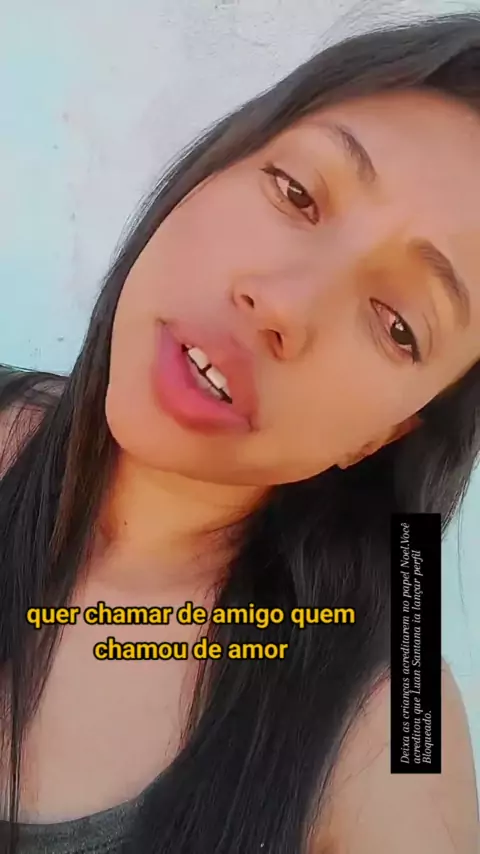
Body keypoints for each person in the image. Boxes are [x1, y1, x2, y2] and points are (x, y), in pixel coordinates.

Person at [0, 11, 479, 854]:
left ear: (389, 432)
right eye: (297, 193)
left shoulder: (394, 711)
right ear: (216, 166)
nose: (283, 303)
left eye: (398, 323)